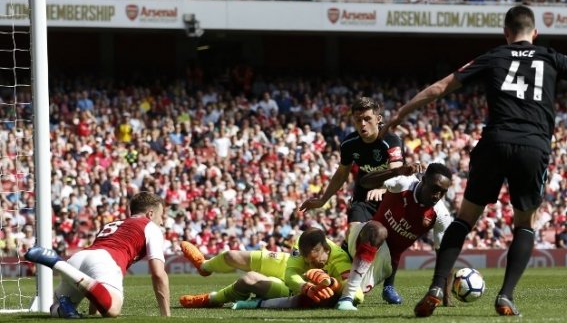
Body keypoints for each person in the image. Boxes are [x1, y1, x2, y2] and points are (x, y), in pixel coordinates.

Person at [380, 5, 567, 317]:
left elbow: (441, 87)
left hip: (494, 141)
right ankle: (506, 296)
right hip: (532, 146)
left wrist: (402, 113)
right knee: (525, 224)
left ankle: (437, 286)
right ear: (535, 33)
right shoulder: (550, 56)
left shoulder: (493, 56)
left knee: (465, 219)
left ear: (505, 33)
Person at [299, 96, 406, 304]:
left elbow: (397, 172)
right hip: (363, 197)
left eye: (367, 118)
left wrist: (382, 187)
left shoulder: (391, 140)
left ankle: (389, 286)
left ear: (378, 119)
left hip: (391, 196)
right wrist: (322, 200)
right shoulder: (349, 143)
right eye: (358, 120)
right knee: (354, 234)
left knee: (392, 242)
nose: (362, 124)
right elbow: (341, 175)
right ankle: (344, 279)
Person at [25, 191, 170, 318]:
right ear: (150, 214)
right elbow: (158, 273)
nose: (162, 222)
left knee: (56, 308)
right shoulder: (150, 226)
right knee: (113, 309)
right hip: (105, 260)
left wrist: (94, 313)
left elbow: (96, 278)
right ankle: (58, 263)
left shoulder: (112, 224)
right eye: (161, 216)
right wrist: (166, 315)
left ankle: (62, 272)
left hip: (79, 258)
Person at [335, 162, 454, 310]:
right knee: (378, 230)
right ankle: (347, 296)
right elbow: (364, 182)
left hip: (383, 264)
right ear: (423, 180)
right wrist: (396, 171)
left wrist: (446, 296)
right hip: (364, 236)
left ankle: (350, 292)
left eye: (443, 192)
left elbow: (444, 256)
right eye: (435, 188)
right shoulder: (404, 183)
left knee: (330, 294)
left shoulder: (441, 215)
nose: (437, 195)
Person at [179, 229, 361, 308]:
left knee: (247, 279)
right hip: (295, 277)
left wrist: (333, 285)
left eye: (316, 261)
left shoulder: (340, 261)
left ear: (327, 250)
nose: (312, 265)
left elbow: (357, 294)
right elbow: (291, 273)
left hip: (292, 290)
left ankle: (212, 299)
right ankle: (204, 266)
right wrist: (305, 286)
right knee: (231, 255)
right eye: (308, 261)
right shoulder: (301, 242)